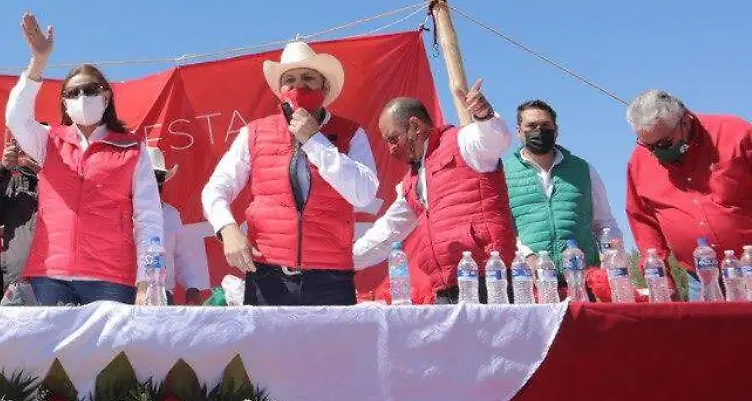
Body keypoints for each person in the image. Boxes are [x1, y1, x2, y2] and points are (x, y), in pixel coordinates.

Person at [202, 41, 379, 306]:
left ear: (325, 88)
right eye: (290, 81)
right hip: (267, 276)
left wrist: (314, 141)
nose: (298, 87)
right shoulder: (254, 132)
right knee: (266, 350)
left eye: (308, 79)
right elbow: (215, 188)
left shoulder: (352, 133)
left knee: (331, 349)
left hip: (331, 278)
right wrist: (227, 229)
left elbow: (364, 194)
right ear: (280, 91)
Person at [5, 13, 165, 306]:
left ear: (106, 96)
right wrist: (38, 62)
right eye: (73, 92)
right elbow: (15, 118)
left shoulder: (132, 149)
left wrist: (147, 281)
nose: (82, 96)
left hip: (112, 279)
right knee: (50, 354)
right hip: (51, 277)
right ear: (64, 101)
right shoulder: (49, 141)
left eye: (90, 90)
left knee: (113, 355)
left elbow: (149, 219)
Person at [353, 80, 517, 303]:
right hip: (444, 289)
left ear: (415, 126)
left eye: (393, 138)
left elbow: (497, 139)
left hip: (488, 280)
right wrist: (342, 261)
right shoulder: (410, 183)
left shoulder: (463, 142)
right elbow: (386, 233)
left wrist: (483, 114)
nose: (391, 149)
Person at [625, 89, 752, 301]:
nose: (656, 153)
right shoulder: (639, 162)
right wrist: (662, 281)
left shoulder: (734, 133)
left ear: (685, 121)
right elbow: (642, 220)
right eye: (648, 145)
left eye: (664, 143)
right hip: (702, 281)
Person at [505, 99, 622, 270]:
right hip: (528, 282)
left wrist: (614, 260)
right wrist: (525, 254)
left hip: (583, 279)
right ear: (519, 131)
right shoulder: (503, 175)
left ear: (556, 130)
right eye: (531, 125)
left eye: (545, 125)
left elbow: (604, 223)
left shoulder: (584, 170)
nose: (539, 131)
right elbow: (501, 228)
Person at [0, 136, 40, 303]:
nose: (29, 153)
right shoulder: (13, 183)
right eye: (25, 147)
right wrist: (3, 169)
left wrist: (45, 173)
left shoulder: (66, 180)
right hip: (17, 282)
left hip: (58, 281)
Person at [147, 146, 211, 305]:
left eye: (159, 177)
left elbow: (183, 255)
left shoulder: (171, 215)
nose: (155, 183)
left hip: (162, 295)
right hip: (126, 296)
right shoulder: (121, 214)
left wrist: (192, 288)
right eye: (148, 177)